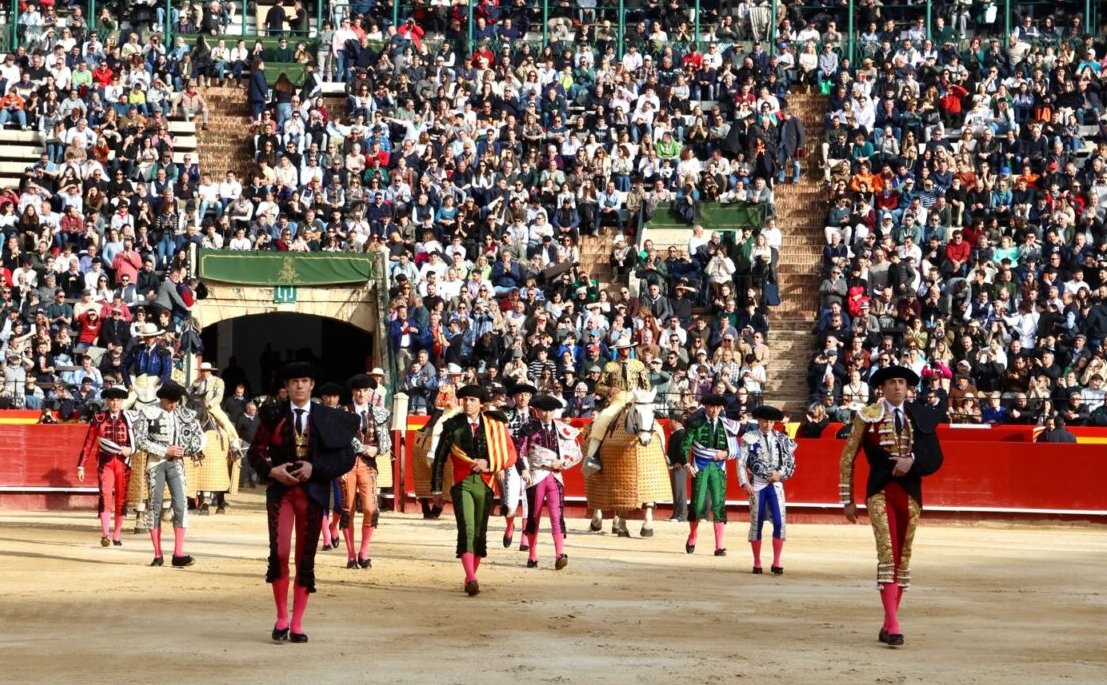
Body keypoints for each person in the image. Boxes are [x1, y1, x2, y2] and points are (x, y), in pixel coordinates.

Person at [248, 362, 358, 643]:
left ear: (312, 385)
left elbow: (346, 458)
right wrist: (272, 470)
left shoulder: (327, 417)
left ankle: (297, 623)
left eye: (305, 380)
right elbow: (255, 452)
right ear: (287, 386)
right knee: (281, 553)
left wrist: (315, 468)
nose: (299, 385)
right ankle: (281, 618)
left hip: (312, 494)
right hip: (282, 494)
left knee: (304, 559)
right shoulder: (274, 415)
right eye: (294, 381)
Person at [839, 365, 944, 648]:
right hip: (880, 491)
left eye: (902, 382)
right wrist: (847, 499)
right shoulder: (867, 415)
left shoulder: (917, 415)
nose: (898, 387)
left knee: (902, 557)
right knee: (887, 554)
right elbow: (848, 457)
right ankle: (894, 624)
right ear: (881, 388)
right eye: (892, 383)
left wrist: (913, 461)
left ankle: (888, 622)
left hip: (910, 493)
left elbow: (934, 457)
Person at [431, 385, 517, 596]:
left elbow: (510, 455)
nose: (468, 403)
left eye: (472, 400)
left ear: (481, 403)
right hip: (462, 483)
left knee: (480, 532)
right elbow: (440, 459)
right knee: (467, 529)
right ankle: (471, 577)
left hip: (487, 483)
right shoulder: (452, 425)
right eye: (465, 400)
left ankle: (470, 575)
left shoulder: (495, 425)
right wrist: (436, 491)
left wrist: (489, 463)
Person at [130, 380, 204, 567]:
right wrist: (165, 451)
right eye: (171, 402)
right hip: (156, 464)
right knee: (154, 508)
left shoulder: (181, 412)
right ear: (162, 399)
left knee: (181, 505)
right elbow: (139, 441)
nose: (174, 405)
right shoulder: (148, 412)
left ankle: (178, 553)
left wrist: (195, 447)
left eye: (176, 402)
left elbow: (194, 434)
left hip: (176, 464)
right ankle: (158, 554)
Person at [517, 394, 582, 569]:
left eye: (550, 410)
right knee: (534, 516)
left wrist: (563, 462)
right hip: (536, 476)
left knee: (557, 515)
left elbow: (574, 452)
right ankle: (532, 555)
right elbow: (519, 453)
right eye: (543, 410)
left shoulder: (561, 428)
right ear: (536, 411)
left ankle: (560, 553)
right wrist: (523, 469)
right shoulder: (528, 429)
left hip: (555, 476)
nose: (547, 414)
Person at [341, 373, 392, 569]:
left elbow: (385, 443)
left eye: (365, 390)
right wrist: (364, 448)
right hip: (346, 463)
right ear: (353, 392)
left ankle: (364, 551)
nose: (361, 393)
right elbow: (343, 437)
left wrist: (378, 449)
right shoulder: (343, 412)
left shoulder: (379, 413)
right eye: (358, 390)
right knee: (348, 509)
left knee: (371, 508)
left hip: (368, 465)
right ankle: (351, 555)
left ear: (371, 393)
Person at [738, 405, 797, 574]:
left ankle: (776, 562)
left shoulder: (781, 438)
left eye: (771, 421)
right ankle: (757, 562)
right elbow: (741, 463)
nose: (768, 424)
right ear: (759, 421)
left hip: (775, 485)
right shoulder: (749, 437)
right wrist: (744, 483)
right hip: (756, 485)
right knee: (756, 524)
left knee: (779, 522)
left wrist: (780, 474)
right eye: (765, 421)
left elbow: (790, 463)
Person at [680, 394, 740, 555]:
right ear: (705, 407)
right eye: (711, 407)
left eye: (718, 408)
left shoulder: (727, 425)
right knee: (697, 504)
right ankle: (693, 534)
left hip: (719, 467)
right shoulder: (695, 424)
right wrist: (686, 464)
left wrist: (725, 454)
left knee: (719, 504)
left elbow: (735, 450)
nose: (714, 410)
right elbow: (685, 445)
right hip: (700, 466)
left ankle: (719, 546)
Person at [76, 386, 134, 547]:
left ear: (122, 401)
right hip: (106, 462)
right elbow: (89, 443)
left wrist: (131, 449)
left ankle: (117, 534)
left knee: (121, 498)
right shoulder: (99, 417)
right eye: (111, 400)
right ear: (107, 401)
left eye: (117, 400)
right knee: (105, 495)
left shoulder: (129, 418)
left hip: (123, 463)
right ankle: (105, 534)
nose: (114, 403)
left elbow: (137, 441)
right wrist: (81, 466)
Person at [584, 337, 651, 468]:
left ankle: (663, 456)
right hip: (617, 399)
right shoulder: (610, 366)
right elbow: (599, 386)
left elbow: (647, 386)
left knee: (655, 425)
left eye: (626, 348)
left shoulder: (638, 365)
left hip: (635, 398)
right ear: (618, 350)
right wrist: (609, 389)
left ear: (630, 349)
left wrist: (641, 396)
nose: (624, 350)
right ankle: (591, 457)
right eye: (622, 349)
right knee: (601, 421)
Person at [502, 381, 537, 549]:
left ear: (530, 397)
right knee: (510, 502)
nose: (522, 398)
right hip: (512, 460)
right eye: (519, 395)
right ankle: (510, 525)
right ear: (514, 397)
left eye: (526, 395)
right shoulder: (506, 416)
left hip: (531, 461)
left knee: (529, 500)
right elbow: (502, 441)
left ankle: (524, 534)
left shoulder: (536, 416)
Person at [666, 413, 688, 522]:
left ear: (675, 421)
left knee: (680, 491)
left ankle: (682, 515)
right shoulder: (677, 433)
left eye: (670, 421)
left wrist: (680, 462)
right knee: (676, 491)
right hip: (675, 465)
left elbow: (684, 450)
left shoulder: (681, 433)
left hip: (679, 466)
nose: (669, 423)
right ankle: (676, 514)